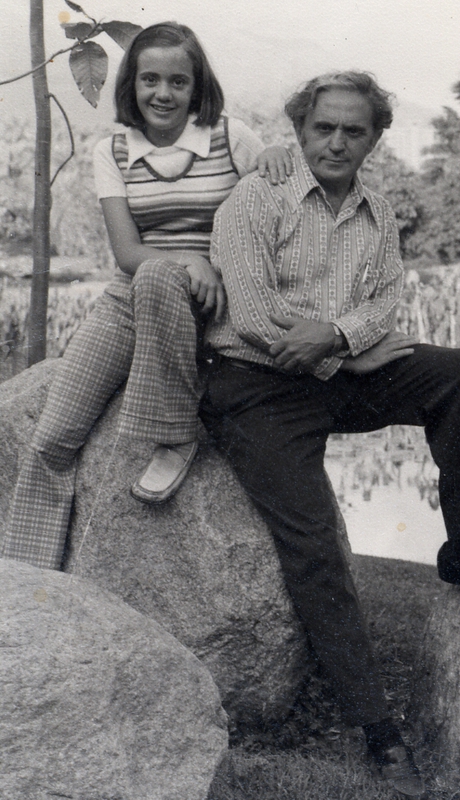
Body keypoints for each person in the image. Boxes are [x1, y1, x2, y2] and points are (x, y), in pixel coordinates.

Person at [201, 70, 460, 797]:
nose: (337, 142)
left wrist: (341, 337)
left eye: (355, 130)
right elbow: (258, 321)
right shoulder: (251, 203)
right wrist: (346, 346)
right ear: (300, 128)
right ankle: (378, 730)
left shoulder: (377, 211)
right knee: (315, 543)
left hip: (338, 371)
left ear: (376, 138)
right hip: (259, 388)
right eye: (324, 127)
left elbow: (386, 298)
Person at [1, 22, 290, 570]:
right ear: (130, 85)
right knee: (53, 438)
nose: (163, 93)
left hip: (214, 302)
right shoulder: (112, 149)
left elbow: (279, 212)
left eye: (178, 81)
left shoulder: (232, 135)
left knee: (162, 280)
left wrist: (276, 154)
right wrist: (187, 258)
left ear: (197, 86)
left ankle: (175, 434)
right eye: (149, 79)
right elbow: (128, 254)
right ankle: (28, 583)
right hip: (131, 297)